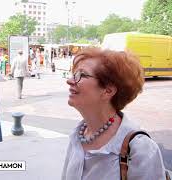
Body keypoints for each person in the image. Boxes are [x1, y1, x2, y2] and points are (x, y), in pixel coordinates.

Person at [62, 48, 166, 180]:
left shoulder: (140, 149)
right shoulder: (78, 135)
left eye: (82, 75)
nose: (70, 81)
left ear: (108, 91)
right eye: (74, 74)